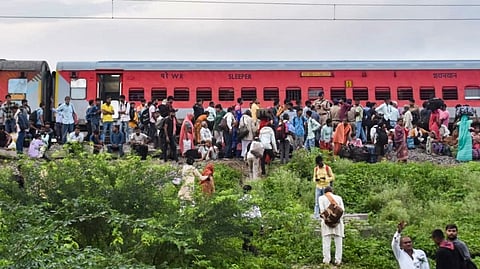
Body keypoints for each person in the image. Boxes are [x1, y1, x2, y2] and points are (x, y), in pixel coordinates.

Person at [318, 186, 344, 266]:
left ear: (325, 192)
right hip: (338, 223)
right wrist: (335, 219)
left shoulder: (321, 198)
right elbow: (342, 210)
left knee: (326, 243)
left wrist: (328, 218)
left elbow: (322, 210)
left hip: (326, 223)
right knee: (338, 243)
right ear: (332, 191)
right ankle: (338, 261)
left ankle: (326, 261)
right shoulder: (339, 198)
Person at [312, 155, 334, 219]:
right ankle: (316, 216)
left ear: (322, 161)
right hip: (318, 186)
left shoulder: (327, 168)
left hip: (326, 187)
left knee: (327, 201)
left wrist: (326, 179)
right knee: (317, 202)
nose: (319, 165)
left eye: (320, 163)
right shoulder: (316, 169)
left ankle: (327, 214)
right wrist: (316, 180)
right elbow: (314, 177)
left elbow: (332, 177)